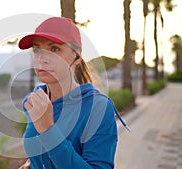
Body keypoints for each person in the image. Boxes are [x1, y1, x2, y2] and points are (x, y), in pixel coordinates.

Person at [17, 17, 128, 169]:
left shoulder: (98, 108)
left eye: (55, 49)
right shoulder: (34, 102)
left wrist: (48, 131)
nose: (42, 58)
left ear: (77, 57)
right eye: (37, 50)